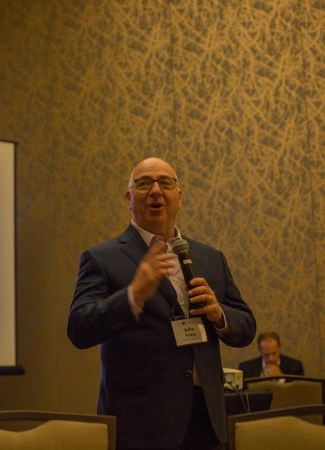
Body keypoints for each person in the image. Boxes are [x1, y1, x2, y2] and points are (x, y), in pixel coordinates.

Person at [67, 157, 256, 450]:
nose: (155, 190)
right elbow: (79, 328)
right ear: (129, 199)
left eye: (165, 182)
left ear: (179, 197)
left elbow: (246, 326)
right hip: (140, 425)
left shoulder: (210, 258)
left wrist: (219, 314)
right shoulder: (102, 259)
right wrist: (133, 295)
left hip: (207, 420)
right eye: (144, 184)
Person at [238, 331, 304, 378]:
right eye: (266, 354)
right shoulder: (246, 369)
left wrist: (281, 378)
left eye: (274, 353)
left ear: (279, 347)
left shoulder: (295, 367)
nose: (271, 358)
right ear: (260, 350)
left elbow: (299, 393)